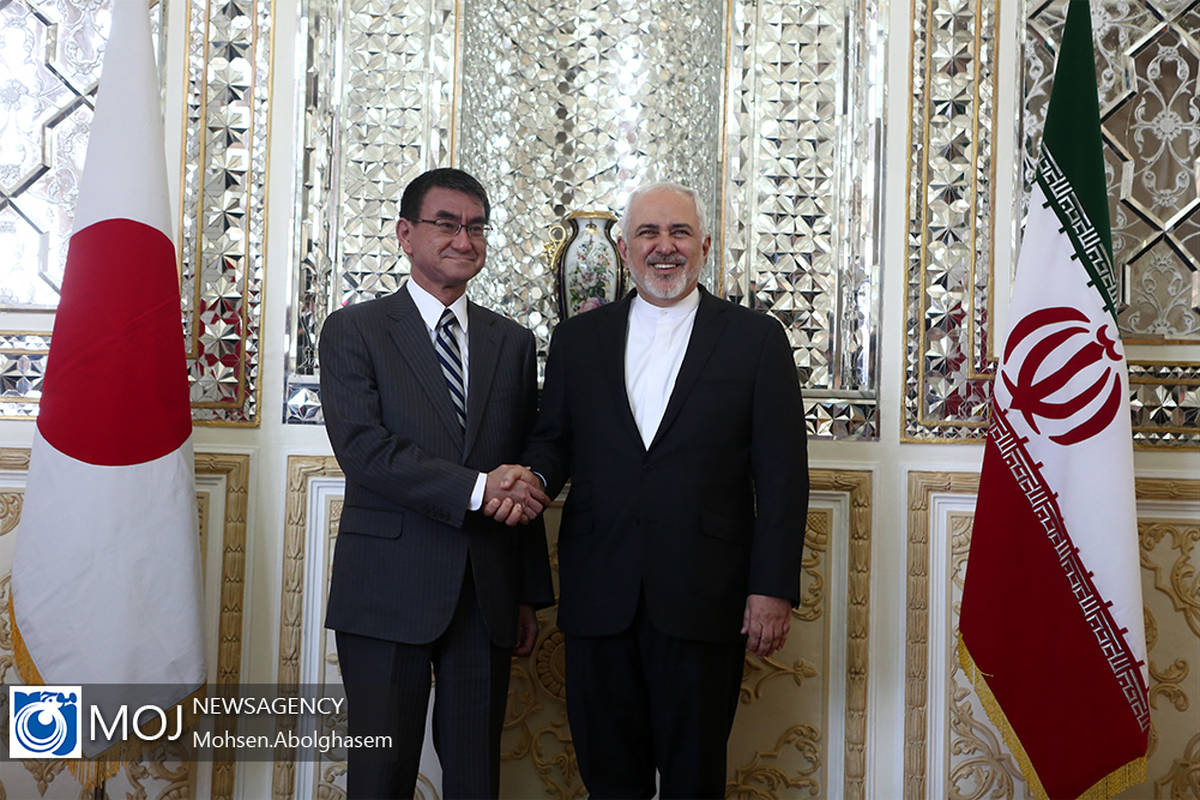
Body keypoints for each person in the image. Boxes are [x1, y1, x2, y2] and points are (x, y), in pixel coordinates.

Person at [493, 181, 809, 797]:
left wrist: (771, 589)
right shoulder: (578, 340)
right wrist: (532, 478)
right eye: (648, 233)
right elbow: (553, 442)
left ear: (705, 246)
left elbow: (782, 476)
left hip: (705, 599)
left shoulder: (756, 340)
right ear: (623, 249)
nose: (665, 247)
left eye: (679, 232)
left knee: (694, 780)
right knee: (609, 778)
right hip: (599, 595)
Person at [320, 167, 553, 799]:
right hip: (386, 588)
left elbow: (519, 464)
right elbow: (365, 451)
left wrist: (526, 593)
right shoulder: (354, 330)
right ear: (405, 234)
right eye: (446, 224)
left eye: (476, 227)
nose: (463, 240)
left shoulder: (513, 342)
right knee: (380, 776)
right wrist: (479, 489)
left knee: (476, 776)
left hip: (486, 592)